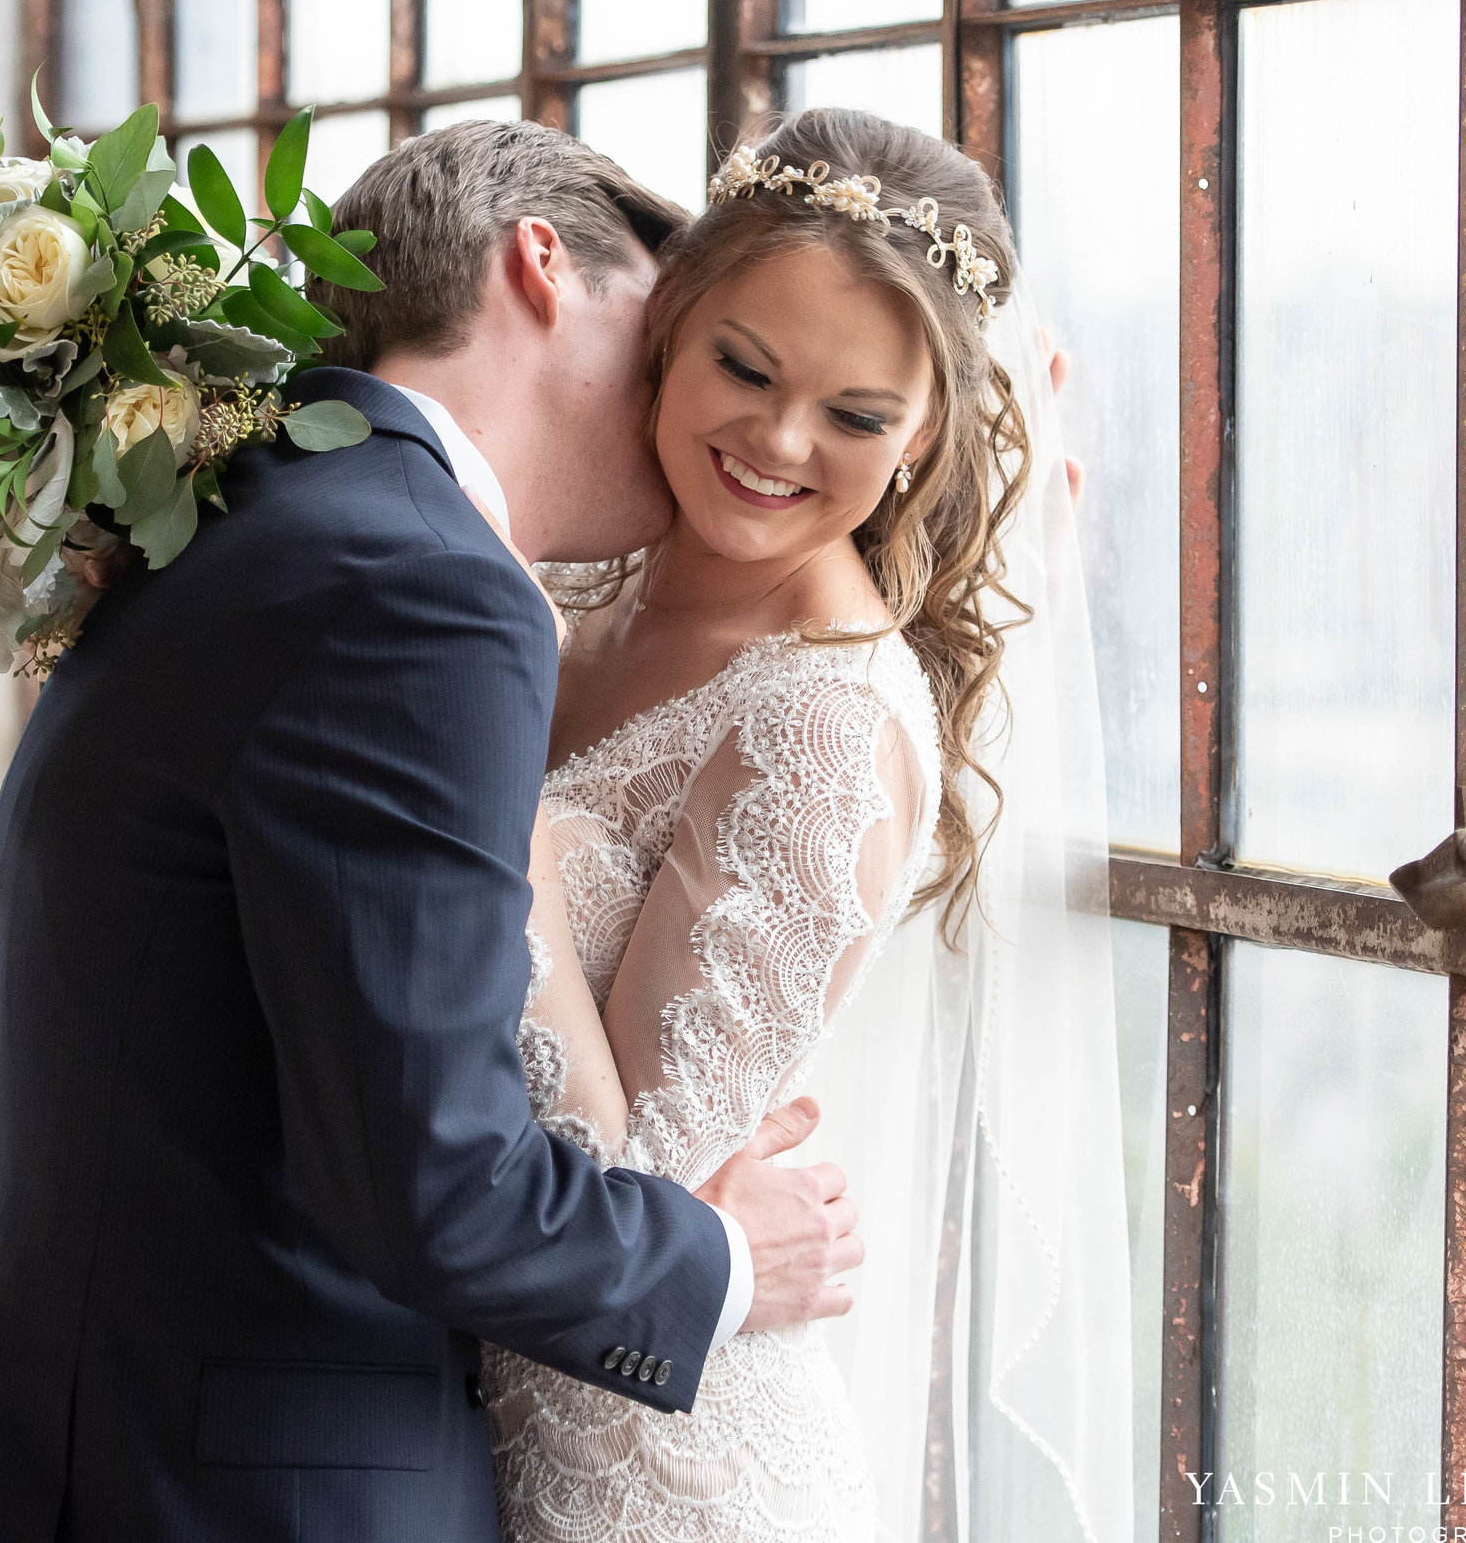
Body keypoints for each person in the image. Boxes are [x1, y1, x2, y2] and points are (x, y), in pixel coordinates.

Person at [0, 120, 868, 1543]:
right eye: (678, 340)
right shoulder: (421, 583)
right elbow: (430, 1180)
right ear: (541, 266)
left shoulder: (248, 519)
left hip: (82, 1442)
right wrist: (727, 1260)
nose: (689, 413)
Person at [330, 109, 1134, 1543]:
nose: (774, 442)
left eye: (857, 416)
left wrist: (481, 822)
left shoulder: (826, 718)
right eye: (742, 368)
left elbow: (631, 1193)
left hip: (651, 1473)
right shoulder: (572, 583)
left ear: (929, 430)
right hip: (429, 1420)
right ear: (671, 323)